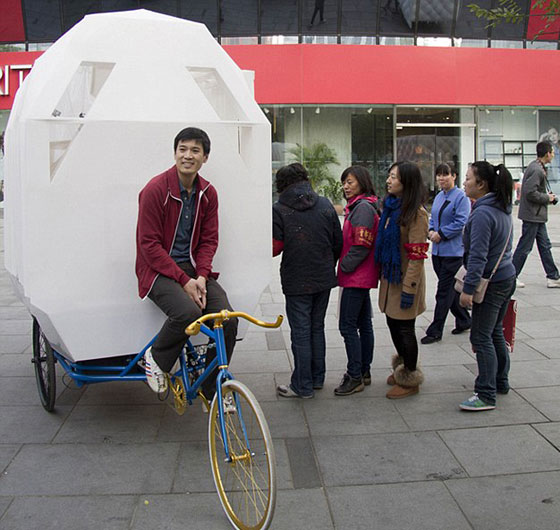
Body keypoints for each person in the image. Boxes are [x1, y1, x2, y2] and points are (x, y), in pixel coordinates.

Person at [135, 127, 238, 398]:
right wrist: (184, 281)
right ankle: (156, 358)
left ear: (205, 157)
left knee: (226, 318)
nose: (187, 155)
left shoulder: (208, 193)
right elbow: (148, 245)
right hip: (157, 271)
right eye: (182, 149)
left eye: (195, 150)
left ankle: (210, 387)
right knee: (187, 313)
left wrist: (201, 276)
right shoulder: (155, 189)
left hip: (193, 271)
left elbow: (208, 240)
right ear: (175, 153)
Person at [273, 163, 342, 399]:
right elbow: (337, 241)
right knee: (316, 327)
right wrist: (327, 263)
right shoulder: (324, 204)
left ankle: (302, 386)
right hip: (323, 277)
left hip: (296, 279)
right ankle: (316, 378)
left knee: (301, 332)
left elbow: (275, 247)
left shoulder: (279, 209)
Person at [458, 161, 516, 411]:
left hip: (491, 283)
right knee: (494, 333)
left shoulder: (483, 213)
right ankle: (500, 381)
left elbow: (478, 257)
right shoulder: (500, 207)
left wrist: (468, 290)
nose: (464, 183)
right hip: (505, 277)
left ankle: (486, 393)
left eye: (468, 178)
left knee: (481, 336)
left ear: (481, 184)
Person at [376, 161, 428, 399]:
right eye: (389, 176)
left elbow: (417, 256)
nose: (389, 181)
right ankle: (403, 365)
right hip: (391, 278)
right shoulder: (390, 207)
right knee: (392, 323)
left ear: (407, 182)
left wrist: (409, 288)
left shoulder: (416, 213)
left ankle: (410, 377)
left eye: (394, 177)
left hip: (406, 279)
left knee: (405, 328)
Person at [334, 166, 380, 396]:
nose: (346, 186)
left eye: (350, 182)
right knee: (363, 324)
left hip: (357, 277)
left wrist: (344, 266)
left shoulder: (362, 208)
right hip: (360, 276)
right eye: (344, 182)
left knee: (347, 325)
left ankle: (354, 375)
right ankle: (364, 371)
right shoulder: (360, 206)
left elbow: (362, 245)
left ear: (362, 182)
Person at [421, 163, 471, 344]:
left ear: (454, 176)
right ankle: (464, 320)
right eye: (439, 175)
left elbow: (461, 221)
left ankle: (435, 330)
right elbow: (433, 218)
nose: (441, 178)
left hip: (453, 252)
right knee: (451, 290)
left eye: (445, 174)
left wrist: (441, 234)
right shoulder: (439, 196)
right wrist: (430, 231)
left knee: (443, 292)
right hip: (438, 251)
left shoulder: (461, 197)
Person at [512, 141, 560, 289]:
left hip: (536, 215)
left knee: (544, 246)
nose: (553, 155)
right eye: (552, 152)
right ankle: (511, 276)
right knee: (525, 247)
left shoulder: (537, 167)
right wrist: (547, 198)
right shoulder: (536, 170)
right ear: (547, 153)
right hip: (532, 215)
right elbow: (530, 192)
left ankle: (553, 276)